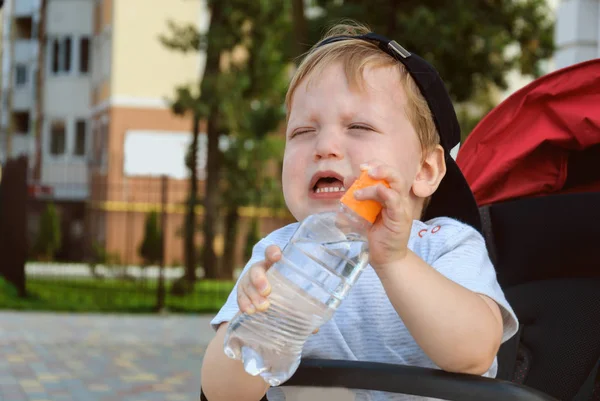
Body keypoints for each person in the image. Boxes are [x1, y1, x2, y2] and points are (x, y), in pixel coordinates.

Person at [200, 21, 518, 401]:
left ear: (425, 170)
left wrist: (395, 260)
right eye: (302, 132)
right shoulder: (279, 255)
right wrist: (256, 322)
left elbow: (475, 352)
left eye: (359, 126)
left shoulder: (445, 244)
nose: (325, 146)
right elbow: (220, 393)